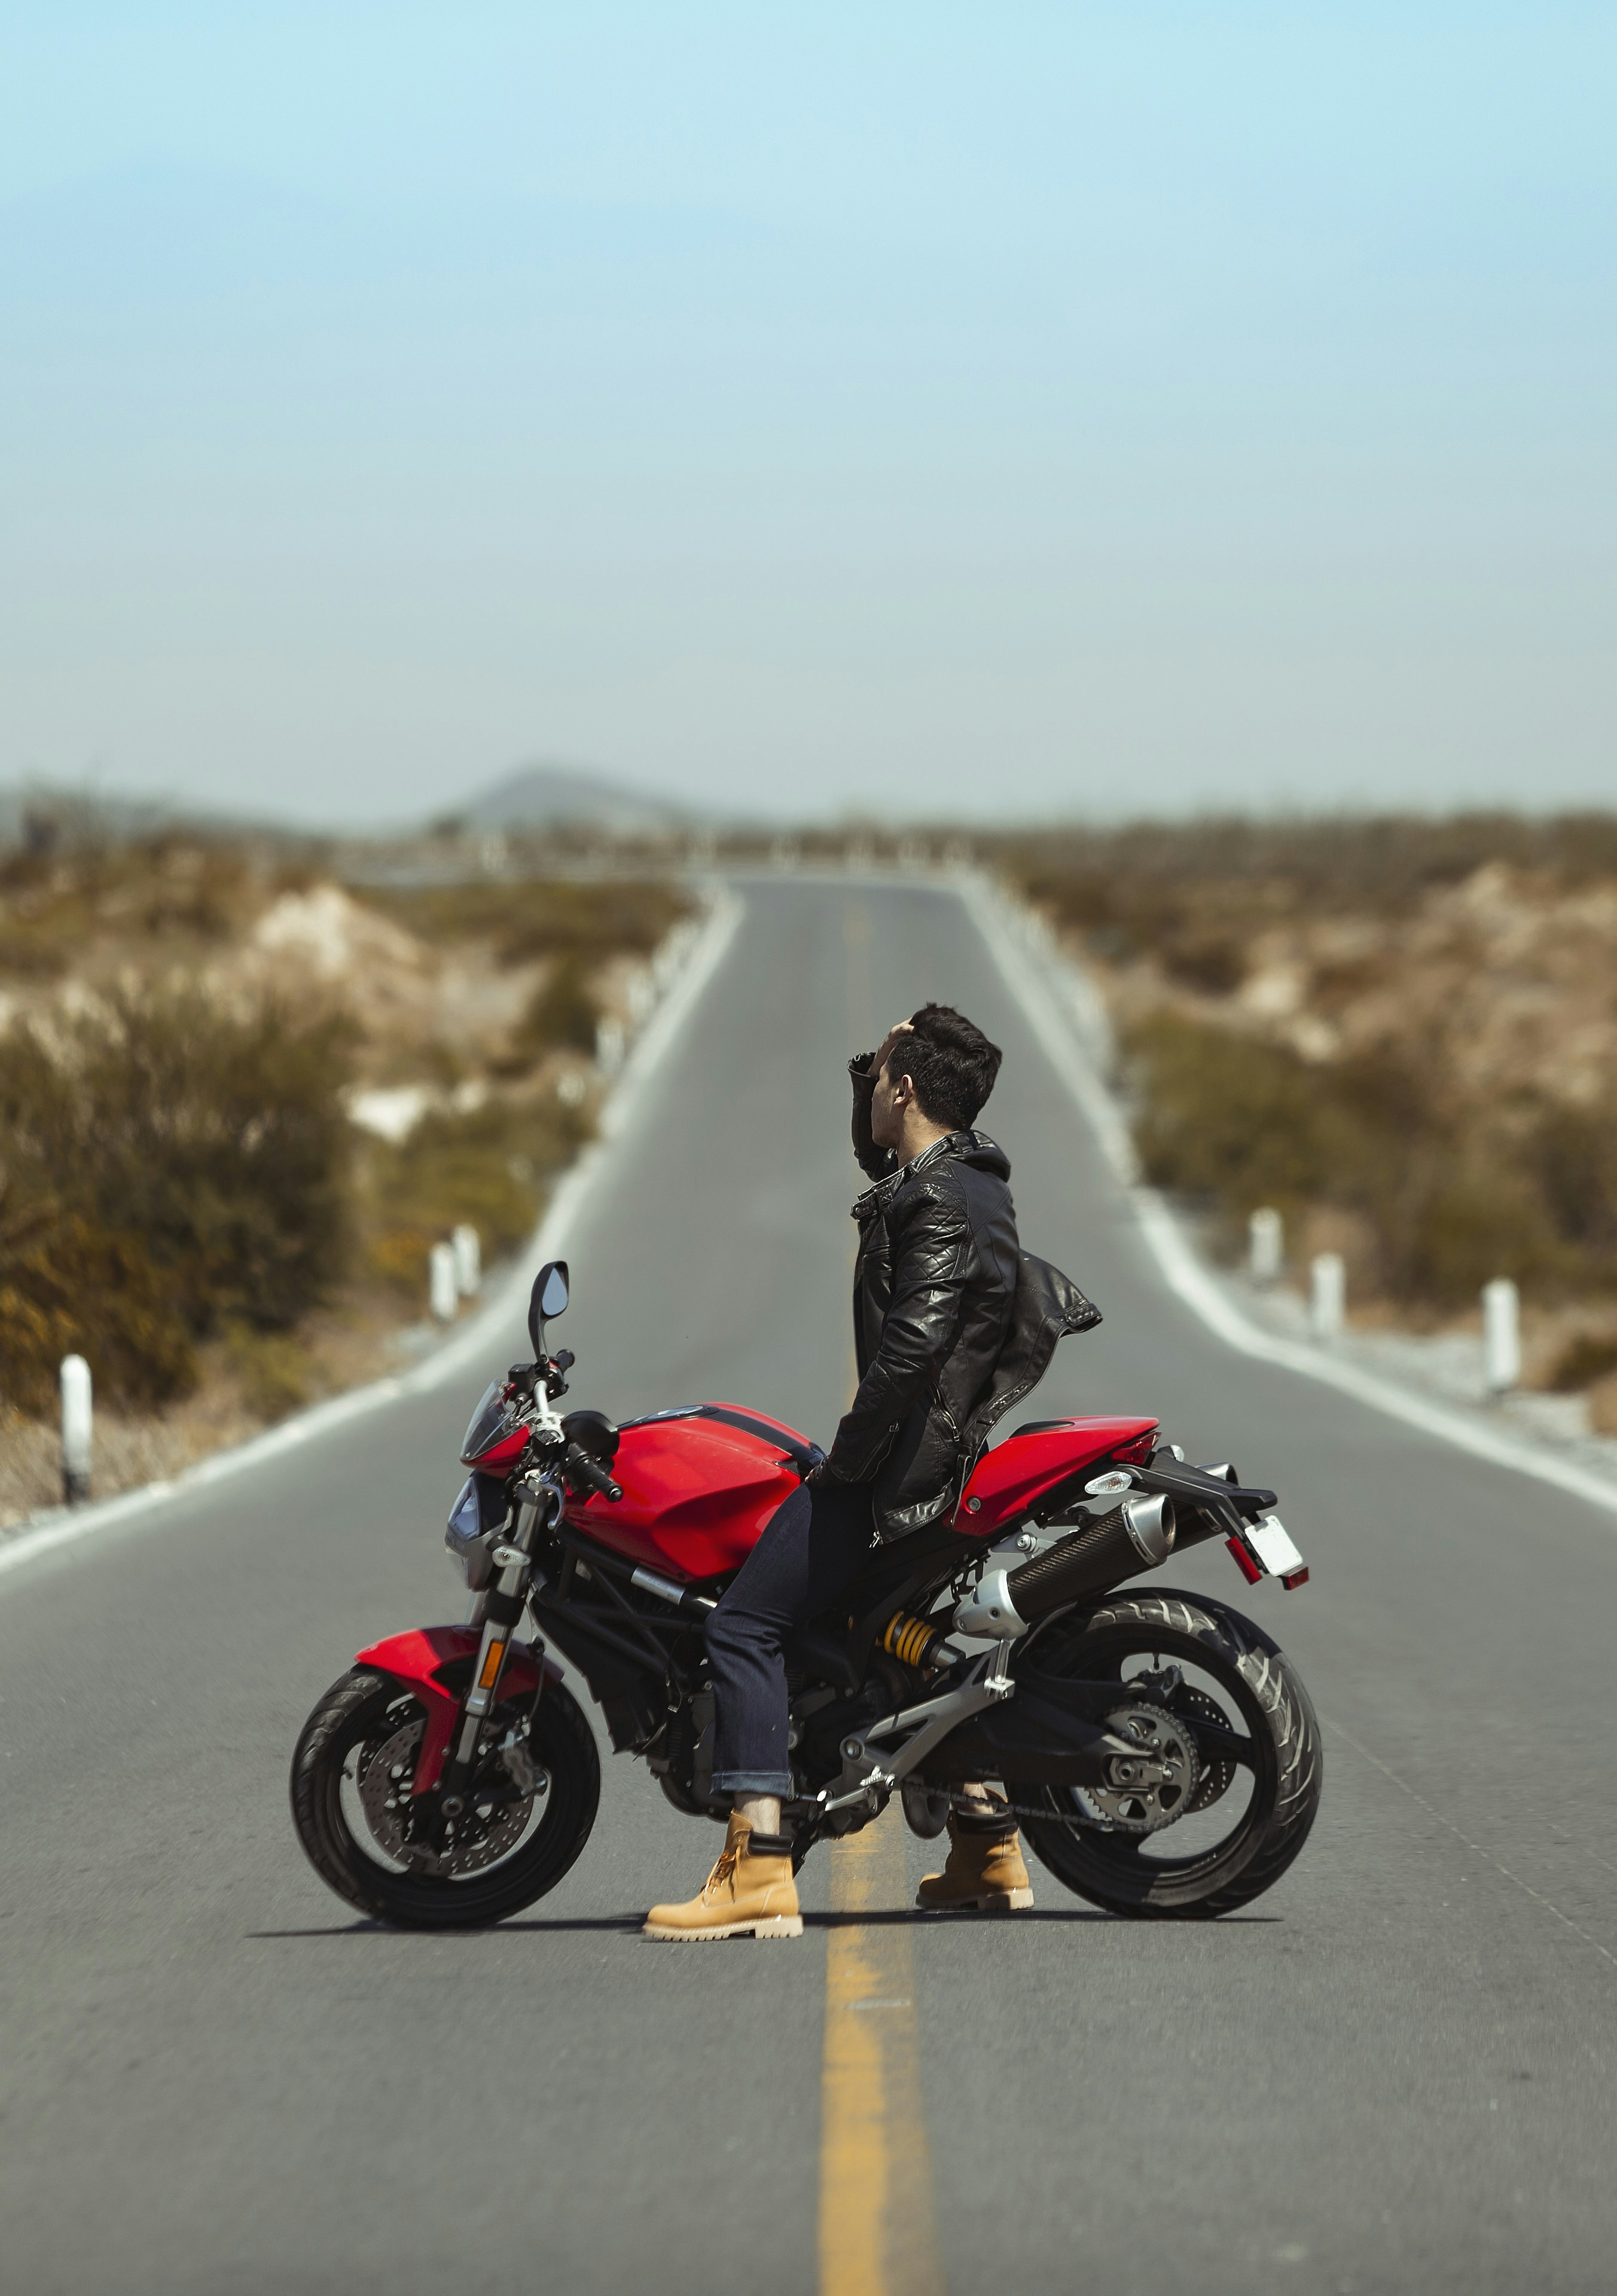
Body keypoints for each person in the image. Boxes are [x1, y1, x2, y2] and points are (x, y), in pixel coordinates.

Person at [644, 1003, 1086, 1942]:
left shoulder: (938, 1198)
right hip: (940, 1463)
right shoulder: (966, 1177)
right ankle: (987, 1846)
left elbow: (916, 1345)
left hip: (899, 1477)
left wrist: (847, 1466)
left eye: (885, 1078)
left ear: (910, 1090)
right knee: (880, 1650)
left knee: (745, 1625)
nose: (876, 1093)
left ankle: (758, 1868)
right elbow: (876, 1155)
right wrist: (872, 1066)